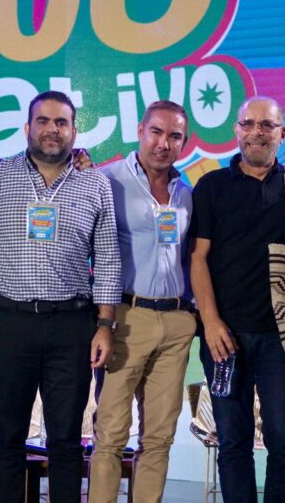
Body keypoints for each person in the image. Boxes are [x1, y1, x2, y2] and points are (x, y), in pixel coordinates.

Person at [0, 90, 121, 503]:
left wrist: (105, 324)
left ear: (75, 131)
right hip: (11, 322)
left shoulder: (95, 183)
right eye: (43, 121)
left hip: (71, 325)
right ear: (27, 127)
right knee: (7, 437)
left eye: (61, 122)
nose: (52, 129)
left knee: (66, 440)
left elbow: (108, 259)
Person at [188, 96, 285, 503]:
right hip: (224, 338)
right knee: (233, 440)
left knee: (284, 439)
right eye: (248, 124)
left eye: (267, 125)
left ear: (282, 133)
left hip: (282, 339)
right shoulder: (212, 187)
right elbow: (197, 257)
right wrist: (211, 322)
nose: (257, 132)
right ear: (236, 130)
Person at [90, 101, 195, 503]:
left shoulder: (186, 192)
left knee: (160, 437)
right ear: (140, 130)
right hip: (126, 317)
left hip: (176, 322)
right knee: (111, 435)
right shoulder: (106, 180)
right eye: (157, 132)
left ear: (183, 142)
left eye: (175, 136)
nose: (164, 143)